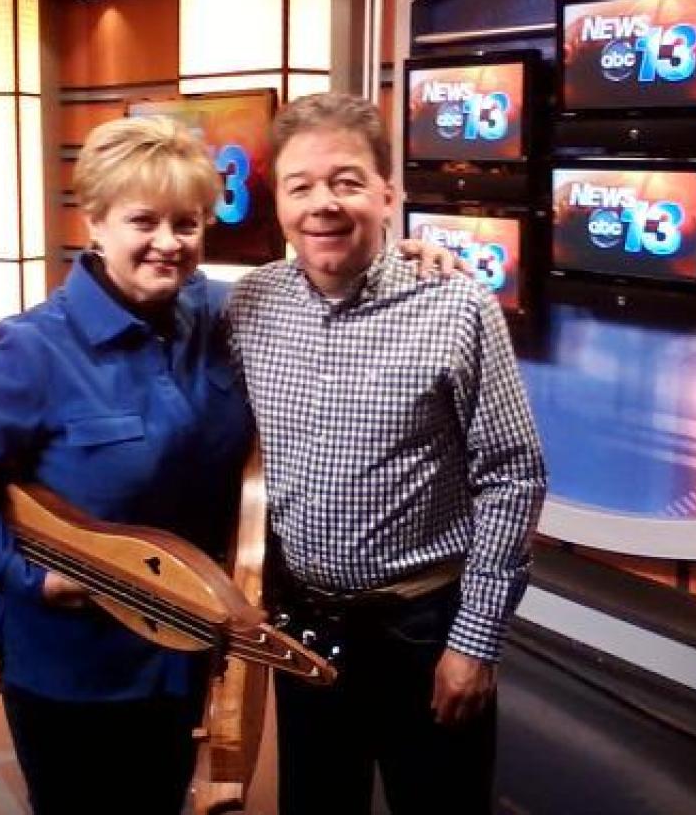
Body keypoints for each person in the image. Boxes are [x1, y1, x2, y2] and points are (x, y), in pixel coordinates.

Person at [0, 116, 254, 814]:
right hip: (74, 671)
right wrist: (24, 578)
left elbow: (317, 280)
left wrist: (408, 259)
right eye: (143, 221)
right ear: (94, 222)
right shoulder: (32, 349)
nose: (168, 243)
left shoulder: (219, 314)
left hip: (182, 658)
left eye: (186, 224)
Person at [227, 93, 547, 815]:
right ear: (278, 203)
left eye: (346, 182)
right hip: (302, 632)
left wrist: (475, 643)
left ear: (387, 195)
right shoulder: (249, 306)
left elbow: (513, 476)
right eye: (300, 186)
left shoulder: (457, 306)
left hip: (425, 631)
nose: (323, 204)